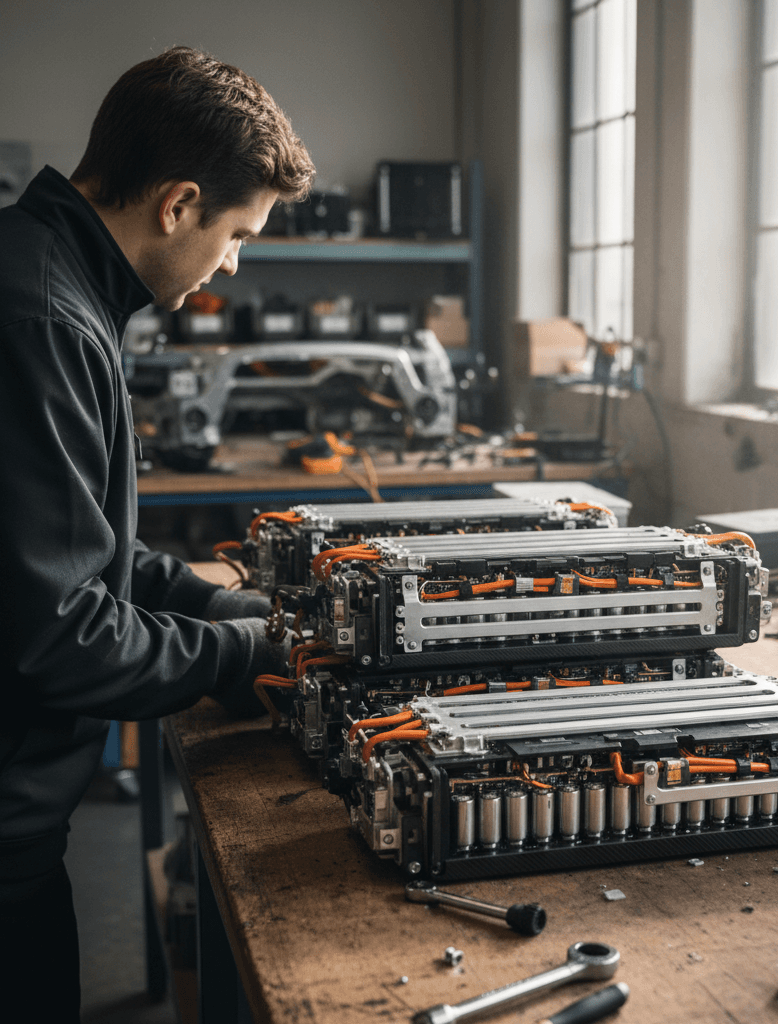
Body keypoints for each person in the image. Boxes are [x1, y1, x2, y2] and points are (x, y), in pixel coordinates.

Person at [0, 47, 316, 1022]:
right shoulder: (44, 318)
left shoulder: (48, 278)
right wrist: (244, 652)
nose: (233, 262)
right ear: (178, 204)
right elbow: (62, 637)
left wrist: (212, 601)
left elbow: (78, 545)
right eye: (237, 233)